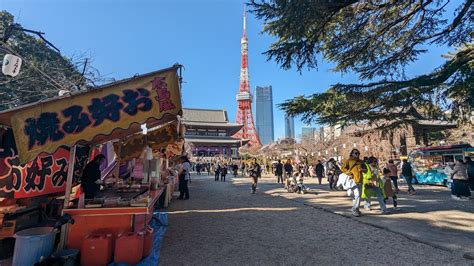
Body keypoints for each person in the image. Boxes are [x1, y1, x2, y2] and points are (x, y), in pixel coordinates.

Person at [342, 149, 365, 217]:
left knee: (358, 195)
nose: (357, 154)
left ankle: (355, 209)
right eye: (355, 153)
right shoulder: (348, 161)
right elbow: (343, 168)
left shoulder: (361, 161)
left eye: (358, 153)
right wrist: (349, 173)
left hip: (360, 180)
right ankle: (355, 209)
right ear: (352, 153)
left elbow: (366, 169)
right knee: (355, 195)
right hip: (352, 180)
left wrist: (362, 170)